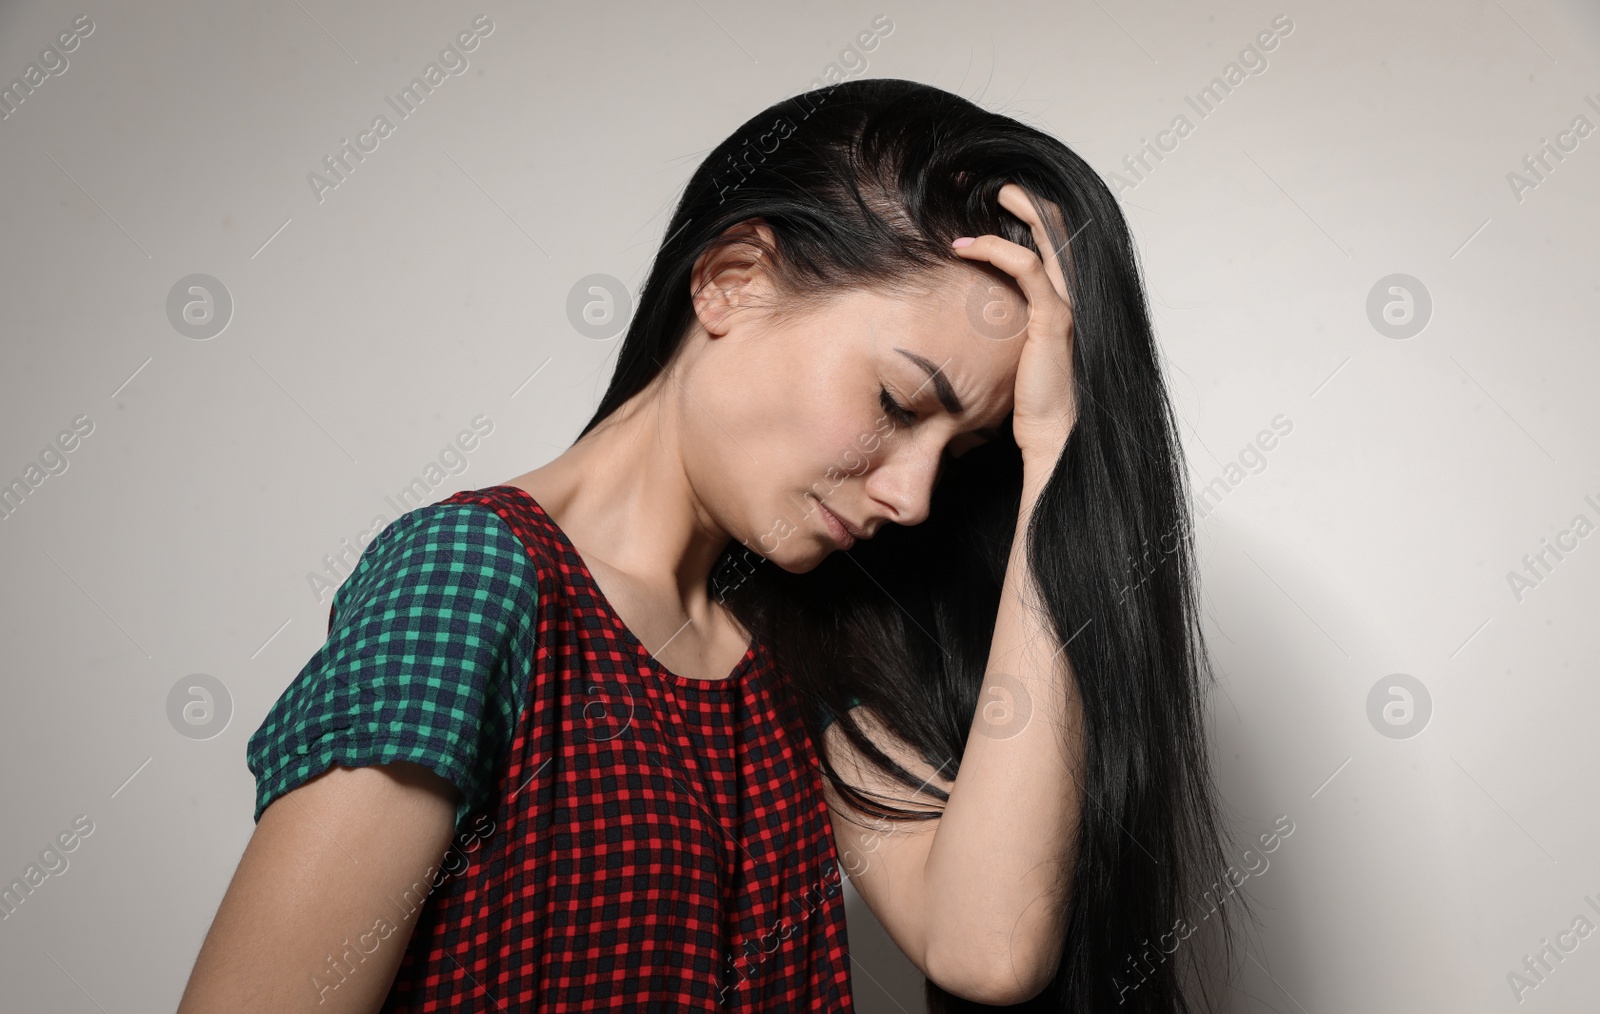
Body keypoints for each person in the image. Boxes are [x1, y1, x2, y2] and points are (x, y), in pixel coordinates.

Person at [177, 77, 1244, 1013]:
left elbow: (990, 944)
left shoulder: (790, 647)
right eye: (898, 400)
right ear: (731, 280)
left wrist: (1055, 453)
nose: (915, 497)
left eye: (958, 455)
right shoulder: (472, 579)